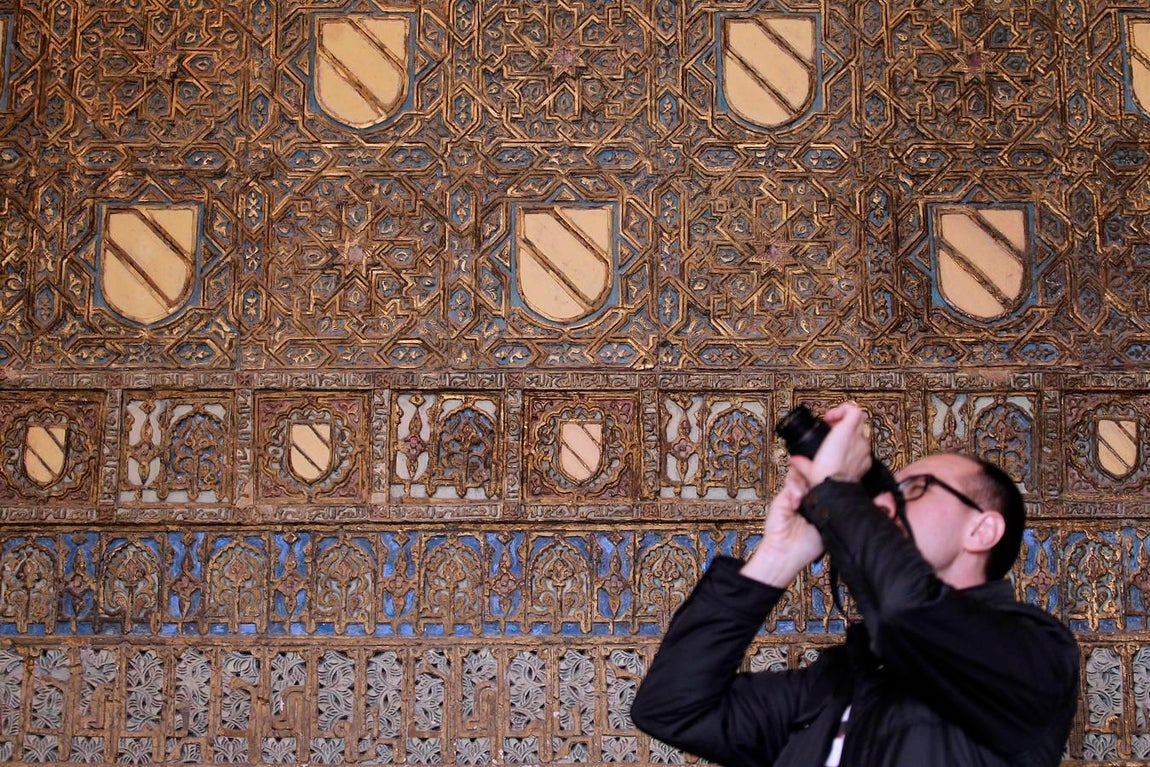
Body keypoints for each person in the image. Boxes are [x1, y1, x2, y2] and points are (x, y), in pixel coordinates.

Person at [630, 402, 1079, 767]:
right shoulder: (837, 682)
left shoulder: (1034, 653)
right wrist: (777, 558)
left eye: (916, 489)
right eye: (880, 494)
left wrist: (834, 490)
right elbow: (673, 709)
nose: (883, 504)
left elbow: (908, 612)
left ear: (982, 531)